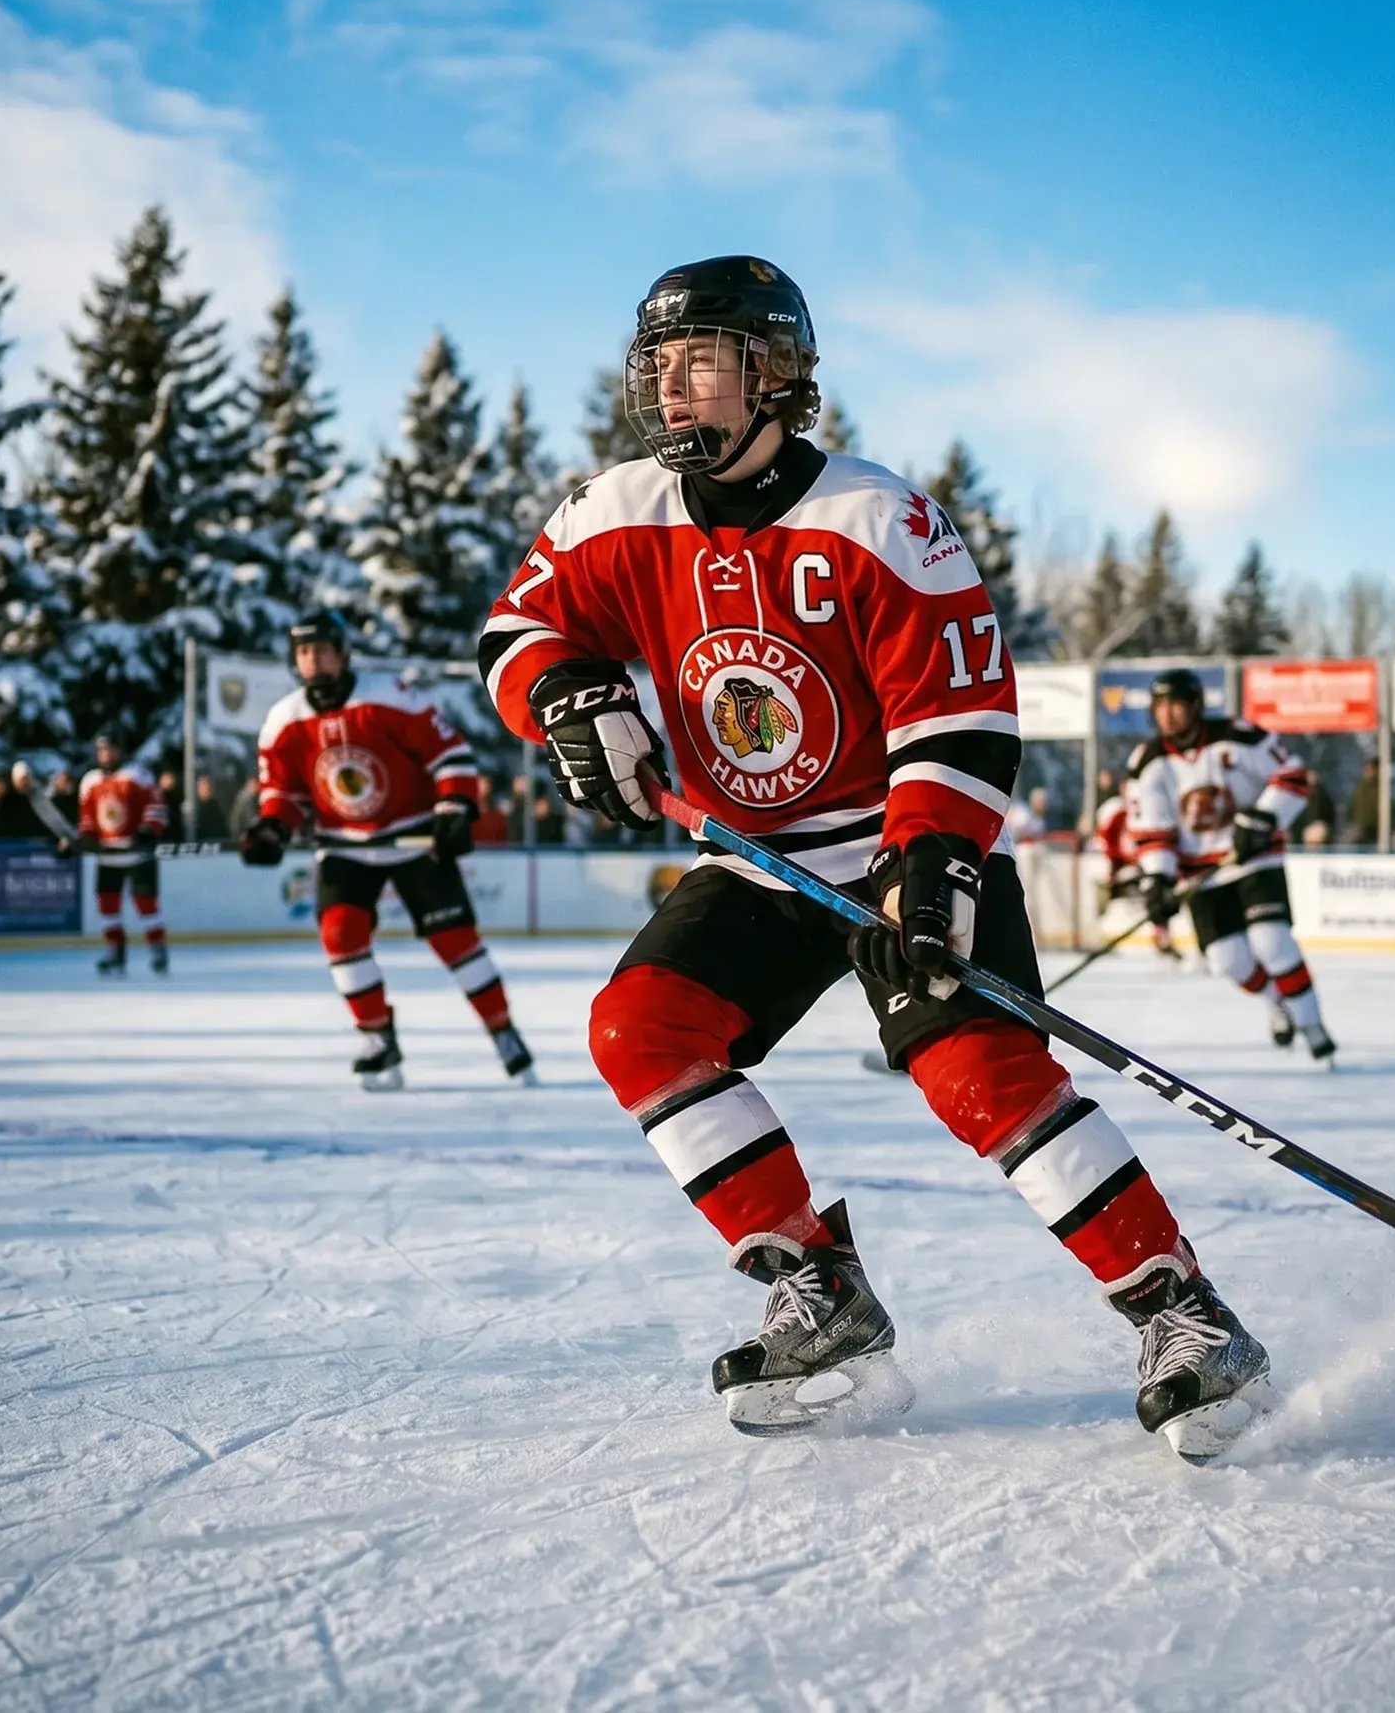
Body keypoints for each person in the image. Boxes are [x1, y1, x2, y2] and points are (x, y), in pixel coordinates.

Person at [477, 254, 1270, 1460]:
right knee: (641, 1029)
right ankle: (819, 1287)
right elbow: (517, 629)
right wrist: (570, 694)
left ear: (779, 373)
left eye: (703, 362)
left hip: (902, 851)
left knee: (980, 1080)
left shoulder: (875, 518)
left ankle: (1182, 1311)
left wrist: (932, 859)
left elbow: (957, 712)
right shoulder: (612, 511)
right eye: (660, 366)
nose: (673, 390)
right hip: (754, 860)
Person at [240, 610, 535, 1089]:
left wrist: (454, 807)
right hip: (345, 848)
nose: (313, 661)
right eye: (304, 653)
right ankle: (377, 1038)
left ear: (341, 653)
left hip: (415, 836)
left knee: (457, 944)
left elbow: (451, 757)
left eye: (321, 650)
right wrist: (272, 827)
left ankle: (502, 1030)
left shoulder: (391, 698)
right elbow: (282, 793)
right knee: (340, 934)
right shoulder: (283, 722)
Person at [1128, 669, 1334, 1061]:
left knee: (1272, 943)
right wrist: (1157, 880)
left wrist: (1263, 817)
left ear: (1196, 706)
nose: (1168, 714)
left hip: (1254, 860)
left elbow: (1293, 775)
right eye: (1161, 706)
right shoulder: (1148, 763)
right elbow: (1154, 833)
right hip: (1201, 877)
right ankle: (1279, 1003)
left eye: (1177, 704)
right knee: (1228, 959)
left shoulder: (1239, 736)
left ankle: (1312, 1024)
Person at [73, 735, 169, 974]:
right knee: (107, 906)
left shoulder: (137, 775)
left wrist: (149, 830)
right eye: (101, 750)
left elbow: (156, 807)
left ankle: (157, 949)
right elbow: (87, 818)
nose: (105, 754)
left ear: (119, 750)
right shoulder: (90, 781)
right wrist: (86, 837)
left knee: (145, 903)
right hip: (108, 855)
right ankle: (115, 950)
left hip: (137, 854)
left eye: (110, 749)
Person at [1093, 790, 1177, 959]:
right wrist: (1112, 869)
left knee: (1158, 893)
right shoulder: (1116, 814)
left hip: (1144, 867)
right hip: (1125, 868)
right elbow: (1107, 842)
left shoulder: (1152, 811)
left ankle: (1161, 935)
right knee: (1103, 892)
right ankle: (1099, 931)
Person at [1344, 756, 1381, 846]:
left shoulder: (1382, 789)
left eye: (1370, 769)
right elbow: (1351, 808)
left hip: (1375, 834)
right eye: (1366, 769)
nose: (1367, 772)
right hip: (1359, 834)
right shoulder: (1360, 788)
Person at [192, 775, 231, 843]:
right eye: (202, 787)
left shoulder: (213, 806)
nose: (206, 790)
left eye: (207, 787)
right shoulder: (195, 807)